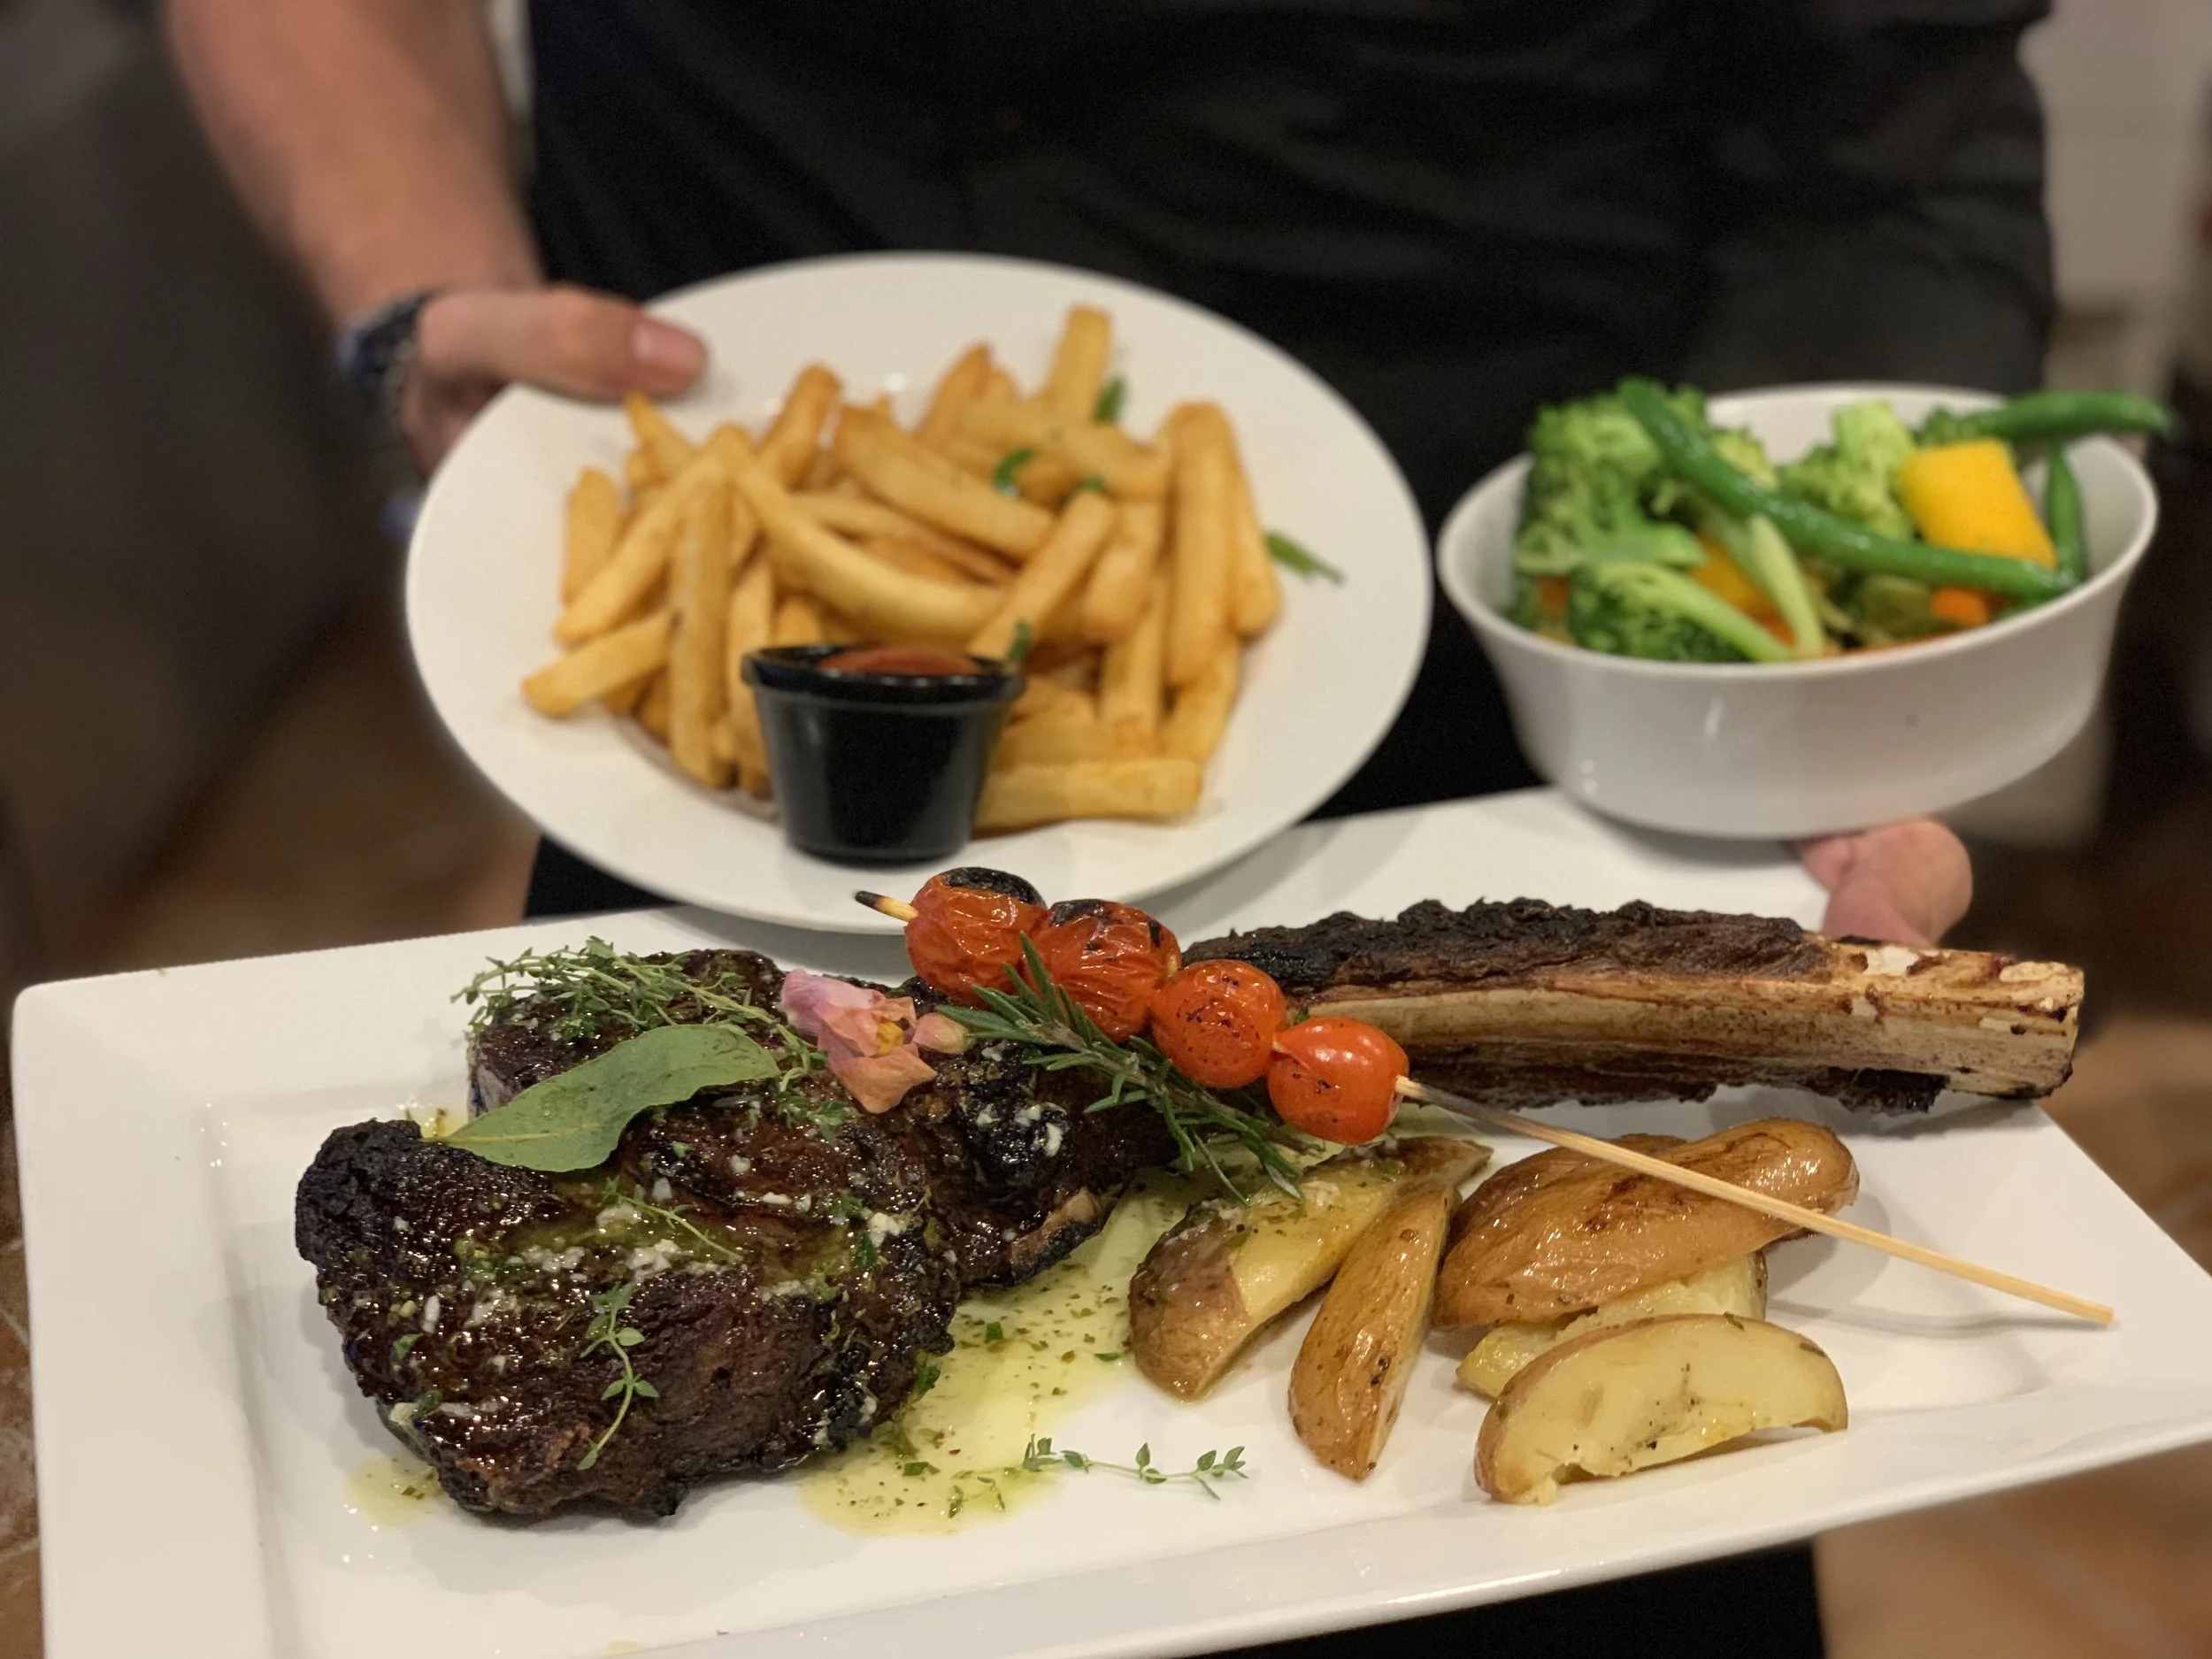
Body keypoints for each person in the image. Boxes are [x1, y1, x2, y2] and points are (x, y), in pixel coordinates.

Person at [165, 2, 2042, 1647]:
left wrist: (1817, 656)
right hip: (712, 749)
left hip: (1506, 679)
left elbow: (1882, 117)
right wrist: (418, 304)